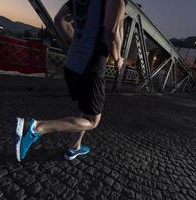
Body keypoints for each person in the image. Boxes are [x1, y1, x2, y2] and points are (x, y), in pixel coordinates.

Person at [15, 0, 126, 162]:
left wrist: (78, 43)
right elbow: (112, 30)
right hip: (91, 67)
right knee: (92, 121)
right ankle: (35, 127)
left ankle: (75, 147)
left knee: (85, 107)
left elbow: (60, 19)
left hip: (73, 64)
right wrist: (117, 60)